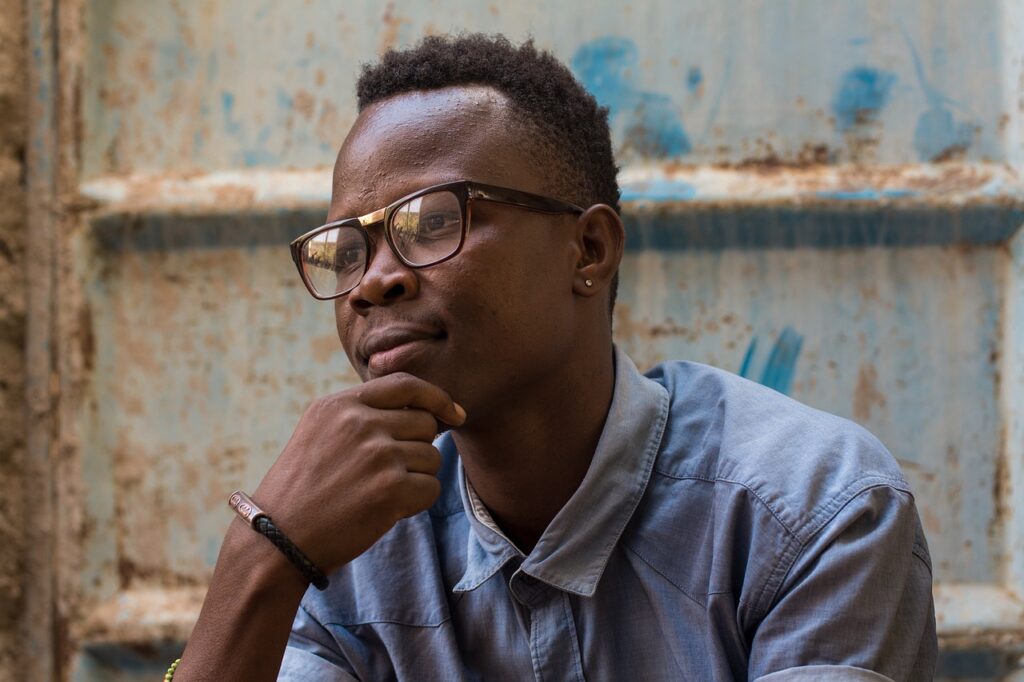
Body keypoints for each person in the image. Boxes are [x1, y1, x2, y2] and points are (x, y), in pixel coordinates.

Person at [175, 34, 937, 681]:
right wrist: (263, 554)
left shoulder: (812, 508)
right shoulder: (335, 543)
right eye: (347, 248)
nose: (374, 280)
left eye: (434, 220)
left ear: (589, 249)